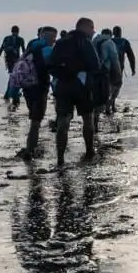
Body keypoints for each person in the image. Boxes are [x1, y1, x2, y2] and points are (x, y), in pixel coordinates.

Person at [49, 17, 100, 165]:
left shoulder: (61, 42)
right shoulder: (86, 42)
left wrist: (63, 74)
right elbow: (95, 64)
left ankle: (60, 158)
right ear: (85, 28)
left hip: (63, 86)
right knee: (88, 119)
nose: (93, 32)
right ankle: (89, 151)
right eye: (91, 28)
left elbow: (51, 65)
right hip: (81, 86)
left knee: (63, 122)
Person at [15, 26, 57, 159]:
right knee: (36, 122)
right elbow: (53, 68)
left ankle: (30, 148)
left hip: (27, 88)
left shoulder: (30, 48)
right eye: (53, 38)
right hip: (40, 88)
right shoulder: (47, 50)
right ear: (49, 37)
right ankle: (30, 150)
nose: (54, 40)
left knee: (33, 117)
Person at [0, 26, 26, 109]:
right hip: (16, 61)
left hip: (9, 61)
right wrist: (25, 62)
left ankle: (8, 94)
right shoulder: (20, 39)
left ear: (11, 31)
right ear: (18, 31)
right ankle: (9, 94)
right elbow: (24, 51)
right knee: (14, 77)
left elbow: (1, 49)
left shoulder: (7, 38)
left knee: (12, 77)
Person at [94, 28, 121, 117]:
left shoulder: (93, 41)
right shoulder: (110, 43)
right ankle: (107, 108)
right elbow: (114, 59)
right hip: (105, 71)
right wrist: (118, 74)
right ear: (110, 35)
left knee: (96, 95)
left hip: (94, 72)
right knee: (111, 90)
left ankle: (95, 118)